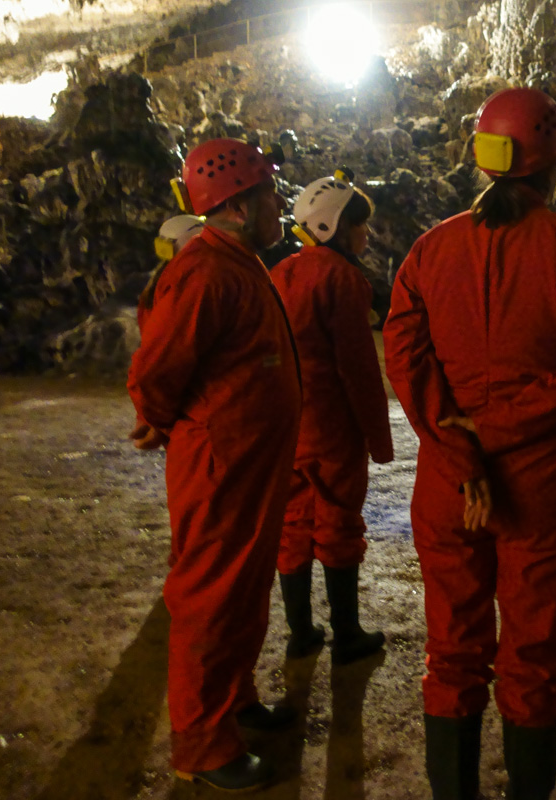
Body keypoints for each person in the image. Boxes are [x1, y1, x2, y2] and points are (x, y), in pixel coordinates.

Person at [383, 87, 556, 800]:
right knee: (533, 657)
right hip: (541, 484)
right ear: (553, 164)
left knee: (452, 653)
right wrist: (500, 428)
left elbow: (404, 352)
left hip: (448, 485)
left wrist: (459, 445)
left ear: (482, 162)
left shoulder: (430, 250)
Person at [127, 138, 301, 793]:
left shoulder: (238, 260)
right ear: (236, 204)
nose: (279, 204)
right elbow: (156, 367)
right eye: (269, 195)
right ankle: (202, 744)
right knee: (211, 597)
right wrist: (158, 418)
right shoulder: (204, 270)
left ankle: (234, 703)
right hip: (220, 465)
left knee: (245, 590)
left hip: (247, 464)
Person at [270, 172, 392, 665]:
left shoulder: (281, 272)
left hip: (288, 424)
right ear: (333, 227)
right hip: (331, 427)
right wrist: (378, 439)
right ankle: (347, 635)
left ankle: (301, 632)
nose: (366, 235)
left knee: (293, 523)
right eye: (358, 226)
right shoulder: (342, 278)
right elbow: (357, 368)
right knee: (339, 520)